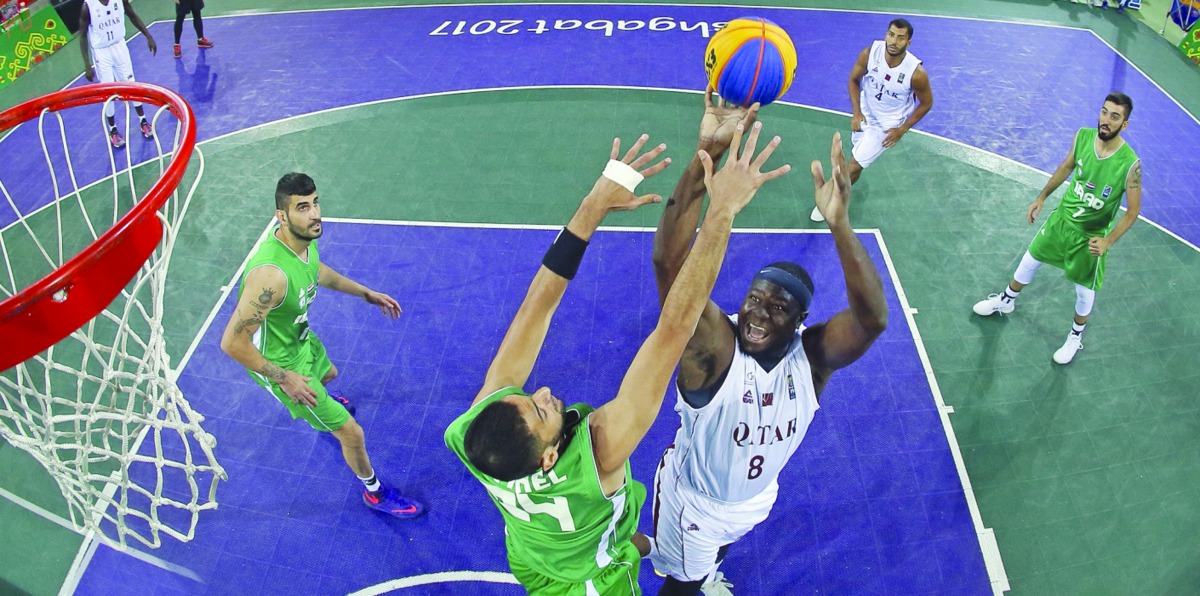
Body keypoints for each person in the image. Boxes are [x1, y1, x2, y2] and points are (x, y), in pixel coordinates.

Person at [445, 126, 790, 595]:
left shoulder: (474, 433)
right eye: (543, 410)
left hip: (532, 557)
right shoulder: (602, 452)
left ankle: (647, 545)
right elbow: (673, 331)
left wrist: (593, 206)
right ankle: (643, 550)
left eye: (529, 397)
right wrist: (722, 211)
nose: (543, 393)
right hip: (590, 580)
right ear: (550, 459)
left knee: (603, 539)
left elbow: (536, 307)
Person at [649, 90, 888, 595]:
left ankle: (707, 568)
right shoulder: (715, 349)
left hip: (756, 499)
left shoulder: (813, 358)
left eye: (777, 307)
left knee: (713, 558)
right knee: (678, 587)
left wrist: (841, 224)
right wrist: (703, 164)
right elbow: (670, 266)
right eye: (755, 298)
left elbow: (871, 320)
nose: (758, 312)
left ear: (800, 319)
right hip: (694, 505)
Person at [220, 172, 422, 518]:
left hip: (301, 340)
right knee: (352, 432)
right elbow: (232, 343)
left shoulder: (302, 242)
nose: (315, 214)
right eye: (302, 207)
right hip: (282, 365)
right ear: (281, 217)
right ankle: (373, 491)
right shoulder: (269, 276)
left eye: (315, 203)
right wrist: (284, 378)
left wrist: (365, 293)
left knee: (330, 373)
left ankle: (321, 408)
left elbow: (317, 271)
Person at [972, 92, 1142, 365]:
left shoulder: (1130, 164)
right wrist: (1041, 197)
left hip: (1089, 237)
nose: (1106, 120)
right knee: (1031, 259)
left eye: (1115, 116)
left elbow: (1133, 211)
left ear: (1125, 124)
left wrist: (1108, 241)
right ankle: (1007, 300)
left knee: (1084, 290)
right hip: (1062, 220)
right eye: (1104, 112)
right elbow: (1066, 167)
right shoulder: (1083, 137)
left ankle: (1075, 336)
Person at [812, 17, 933, 222]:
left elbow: (926, 103)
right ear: (886, 34)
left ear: (908, 42)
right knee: (857, 164)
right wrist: (857, 112)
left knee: (853, 165)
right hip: (865, 114)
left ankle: (827, 202)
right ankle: (844, 195)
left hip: (886, 127)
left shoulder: (916, 73)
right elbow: (853, 80)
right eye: (891, 35)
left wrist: (902, 129)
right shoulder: (870, 54)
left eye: (901, 38)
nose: (894, 41)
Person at [79, 0, 157, 149]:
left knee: (131, 84)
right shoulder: (87, 7)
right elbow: (82, 36)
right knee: (108, 92)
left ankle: (143, 121)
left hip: (119, 46)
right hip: (101, 52)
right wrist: (87, 64)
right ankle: (113, 130)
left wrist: (149, 36)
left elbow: (132, 16)